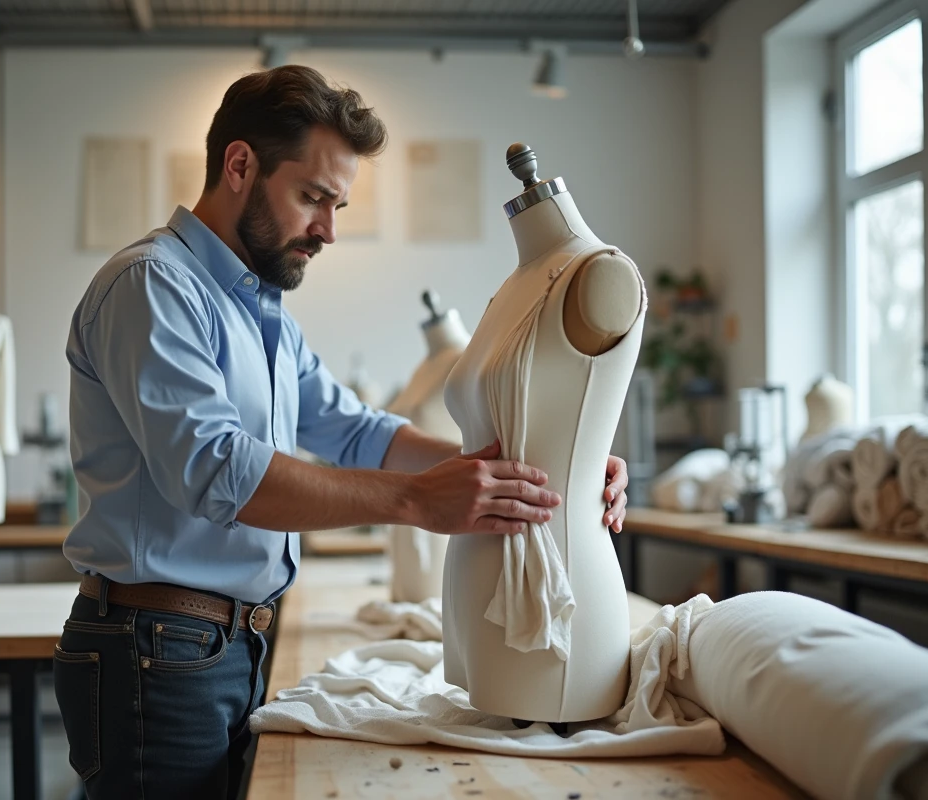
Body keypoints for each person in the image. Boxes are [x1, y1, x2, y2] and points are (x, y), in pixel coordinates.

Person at [53, 65, 630, 800]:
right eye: (313, 198)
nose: (327, 228)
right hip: (155, 651)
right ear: (240, 165)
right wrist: (418, 501)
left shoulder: (258, 310)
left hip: (220, 645)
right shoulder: (152, 286)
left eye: (338, 204)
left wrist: (534, 469)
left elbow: (357, 431)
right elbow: (217, 470)